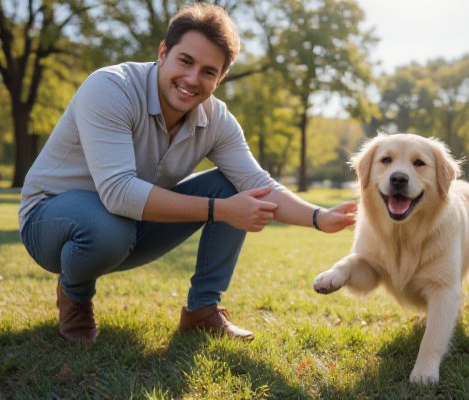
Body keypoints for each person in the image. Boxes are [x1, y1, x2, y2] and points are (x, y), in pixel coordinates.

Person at [18, 3, 356, 343]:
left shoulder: (217, 119)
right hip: (50, 221)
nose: (193, 79)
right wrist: (222, 211)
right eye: (186, 61)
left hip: (127, 224)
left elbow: (256, 184)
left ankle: (202, 311)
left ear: (220, 78)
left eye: (209, 72)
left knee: (230, 185)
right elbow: (118, 192)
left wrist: (319, 217)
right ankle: (75, 294)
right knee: (109, 228)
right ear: (163, 52)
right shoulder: (110, 88)